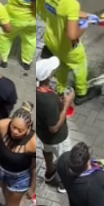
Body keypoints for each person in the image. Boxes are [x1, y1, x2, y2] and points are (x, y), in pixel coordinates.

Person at [41, 0, 102, 104]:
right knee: (80, 64)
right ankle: (81, 94)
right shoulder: (71, 3)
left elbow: (62, 12)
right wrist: (85, 24)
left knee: (61, 65)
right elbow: (72, 35)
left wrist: (85, 15)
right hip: (66, 46)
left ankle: (61, 90)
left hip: (51, 40)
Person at [36, 56, 73, 194]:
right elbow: (54, 127)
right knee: (65, 158)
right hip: (58, 138)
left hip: (43, 135)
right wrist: (67, 103)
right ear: (48, 75)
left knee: (47, 150)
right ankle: (64, 184)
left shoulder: (37, 92)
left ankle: (49, 172)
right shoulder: (48, 101)